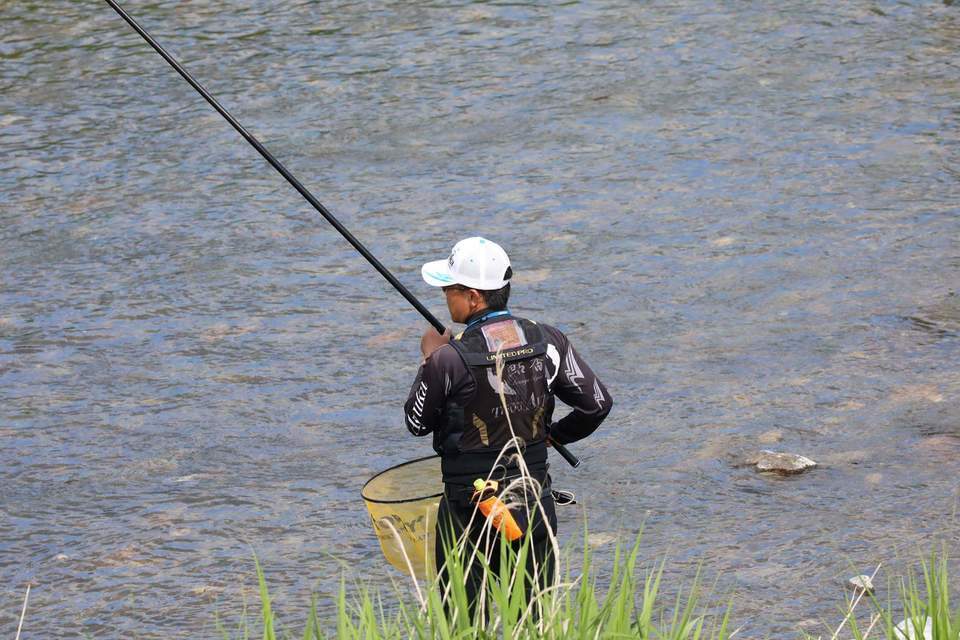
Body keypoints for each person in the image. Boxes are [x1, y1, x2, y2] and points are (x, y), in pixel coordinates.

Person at [403, 236, 612, 613]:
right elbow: (597, 404)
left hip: (468, 508)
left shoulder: (447, 359)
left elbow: (417, 422)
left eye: (449, 289)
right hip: (533, 499)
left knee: (464, 623)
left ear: (472, 297)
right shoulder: (549, 340)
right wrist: (553, 437)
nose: (444, 297)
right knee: (534, 617)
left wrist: (428, 358)